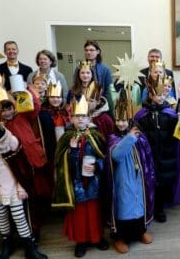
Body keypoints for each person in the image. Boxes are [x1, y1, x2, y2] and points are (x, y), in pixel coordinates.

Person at [0, 99, 47, 259]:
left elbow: (21, 169)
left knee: (19, 216)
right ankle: (7, 245)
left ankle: (29, 248)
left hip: (12, 188)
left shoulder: (11, 142)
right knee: (1, 217)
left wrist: (21, 187)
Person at [53, 95, 108, 257]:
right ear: (71, 118)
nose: (80, 119)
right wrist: (73, 150)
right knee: (79, 213)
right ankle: (81, 241)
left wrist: (97, 165)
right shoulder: (67, 137)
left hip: (94, 181)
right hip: (76, 182)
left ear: (89, 117)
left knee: (94, 211)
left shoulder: (96, 135)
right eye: (77, 116)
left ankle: (97, 238)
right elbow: (60, 161)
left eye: (83, 116)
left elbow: (105, 157)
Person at [135, 75, 180, 222]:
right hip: (150, 155)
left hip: (167, 155)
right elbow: (138, 134)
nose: (160, 97)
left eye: (162, 94)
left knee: (164, 182)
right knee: (151, 181)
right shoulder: (142, 115)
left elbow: (179, 133)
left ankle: (160, 207)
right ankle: (150, 206)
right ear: (150, 94)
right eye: (157, 94)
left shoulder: (169, 114)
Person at [107, 90, 155, 254]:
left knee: (138, 205)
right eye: (118, 120)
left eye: (124, 120)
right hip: (122, 181)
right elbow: (116, 155)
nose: (121, 123)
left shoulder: (138, 135)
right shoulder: (114, 138)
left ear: (130, 120)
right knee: (124, 206)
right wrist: (129, 138)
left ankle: (139, 232)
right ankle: (120, 237)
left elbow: (146, 155)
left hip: (138, 180)